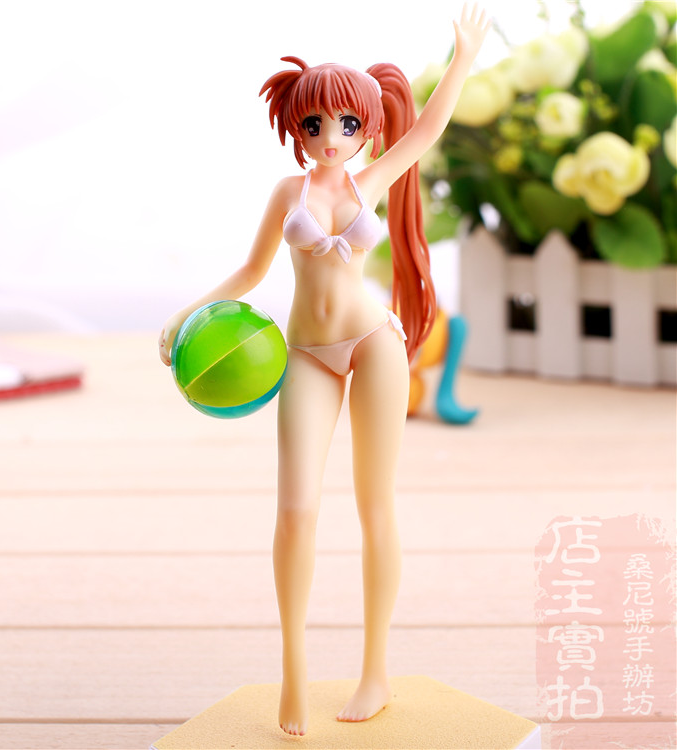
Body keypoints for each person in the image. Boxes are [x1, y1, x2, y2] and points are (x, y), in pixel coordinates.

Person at [159, 4, 489, 736]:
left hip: (373, 343)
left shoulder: (372, 178)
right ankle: (294, 670)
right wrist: (186, 315)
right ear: (295, 126)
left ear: (367, 126)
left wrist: (462, 59)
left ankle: (376, 670)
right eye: (314, 124)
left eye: (346, 123)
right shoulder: (289, 194)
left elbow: (427, 131)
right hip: (306, 352)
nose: (330, 137)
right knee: (295, 511)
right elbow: (250, 272)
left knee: (376, 506)